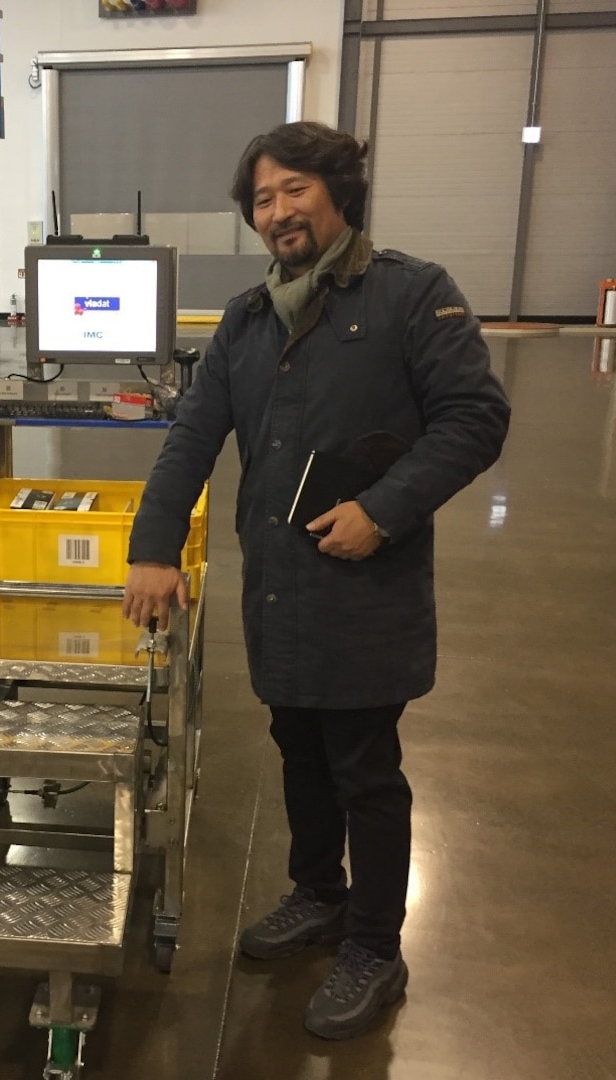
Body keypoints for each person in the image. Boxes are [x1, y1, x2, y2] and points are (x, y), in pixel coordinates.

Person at [122, 123, 511, 1040]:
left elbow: (474, 418)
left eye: (292, 189)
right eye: (260, 199)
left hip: (363, 585)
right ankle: (316, 894)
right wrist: (152, 545)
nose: (276, 212)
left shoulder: (412, 295)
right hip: (279, 586)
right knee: (297, 748)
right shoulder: (248, 318)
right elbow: (191, 438)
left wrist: (384, 508)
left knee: (364, 770)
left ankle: (376, 945)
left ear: (338, 191)